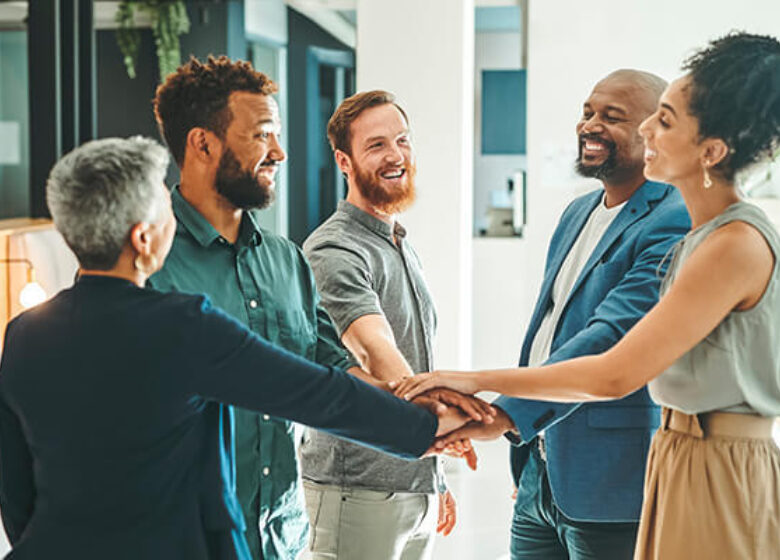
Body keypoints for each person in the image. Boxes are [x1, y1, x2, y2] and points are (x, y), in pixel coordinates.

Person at [393, 31, 780, 560]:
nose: (646, 129)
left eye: (663, 120)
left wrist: (475, 382)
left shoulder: (733, 243)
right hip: (673, 453)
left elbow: (614, 367)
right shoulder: (699, 236)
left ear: (710, 150)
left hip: (715, 465)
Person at [0, 137, 469, 560]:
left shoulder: (23, 335)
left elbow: (15, 484)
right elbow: (317, 394)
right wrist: (426, 427)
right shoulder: (183, 324)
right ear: (143, 239)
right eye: (165, 207)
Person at [148, 55, 487, 560]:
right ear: (202, 143)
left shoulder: (286, 261)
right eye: (262, 135)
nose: (280, 153)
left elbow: (337, 370)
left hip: (278, 536)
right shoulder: (148, 265)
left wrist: (422, 422)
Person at [409, 68, 690, 560]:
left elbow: (609, 337)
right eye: (587, 112)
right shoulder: (576, 212)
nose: (589, 125)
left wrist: (498, 411)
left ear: (651, 131)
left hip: (611, 485)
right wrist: (523, 440)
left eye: (611, 116)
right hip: (540, 468)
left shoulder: (674, 218)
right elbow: (551, 332)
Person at [300, 90, 474, 559]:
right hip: (356, 489)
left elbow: (417, 360)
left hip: (411, 479)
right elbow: (374, 349)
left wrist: (431, 480)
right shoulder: (335, 250)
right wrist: (441, 426)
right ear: (345, 161)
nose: (396, 155)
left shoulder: (395, 241)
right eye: (376, 145)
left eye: (402, 140)